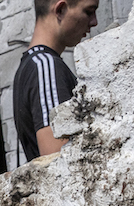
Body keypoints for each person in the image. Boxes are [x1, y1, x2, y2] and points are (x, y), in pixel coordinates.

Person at [12, 0, 100, 163]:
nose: (94, 22)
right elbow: (58, 161)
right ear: (60, 10)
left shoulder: (35, 65)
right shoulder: (45, 66)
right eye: (88, 12)